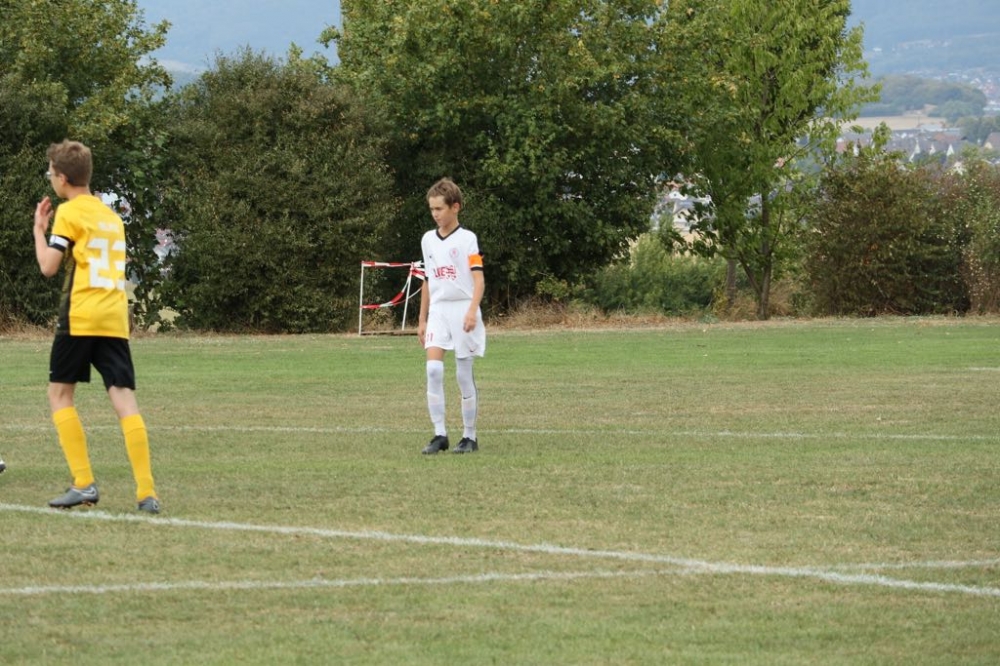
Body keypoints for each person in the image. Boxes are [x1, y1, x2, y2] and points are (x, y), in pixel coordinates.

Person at [33, 140, 160, 513]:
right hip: (114, 317)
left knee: (60, 395)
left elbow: (48, 267)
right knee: (124, 400)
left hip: (81, 315)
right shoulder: (111, 217)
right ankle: (147, 492)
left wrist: (39, 230)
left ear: (62, 178)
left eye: (51, 174)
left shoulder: (69, 213)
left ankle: (83, 483)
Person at [417, 178, 486, 455]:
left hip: (463, 309)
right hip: (438, 310)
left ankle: (469, 436)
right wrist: (422, 319)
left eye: (439, 209)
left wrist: (472, 311)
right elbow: (427, 280)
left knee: (462, 374)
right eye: (432, 209)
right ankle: (440, 434)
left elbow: (479, 280)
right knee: (433, 370)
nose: (435, 214)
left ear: (455, 207)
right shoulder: (427, 240)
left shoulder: (467, 239)